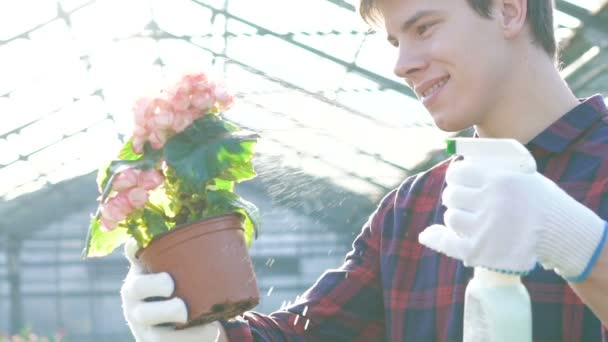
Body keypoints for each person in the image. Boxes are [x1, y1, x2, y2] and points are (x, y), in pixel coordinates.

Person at [120, 0, 608, 340]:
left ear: (508, 9)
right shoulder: (412, 209)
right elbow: (308, 336)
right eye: (395, 40)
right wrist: (198, 335)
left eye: (424, 27)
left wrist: (582, 246)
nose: (401, 63)